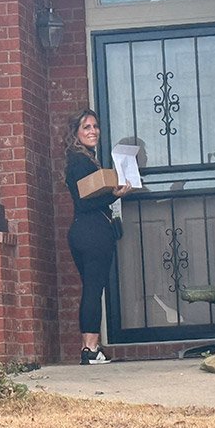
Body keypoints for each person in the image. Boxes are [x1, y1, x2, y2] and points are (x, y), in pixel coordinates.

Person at [64, 108, 132, 365]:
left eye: (95, 126)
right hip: (92, 232)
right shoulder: (81, 161)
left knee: (91, 289)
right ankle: (90, 349)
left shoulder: (83, 159)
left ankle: (89, 347)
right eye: (86, 127)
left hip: (82, 231)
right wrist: (115, 194)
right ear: (76, 133)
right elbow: (85, 202)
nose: (93, 131)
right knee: (93, 290)